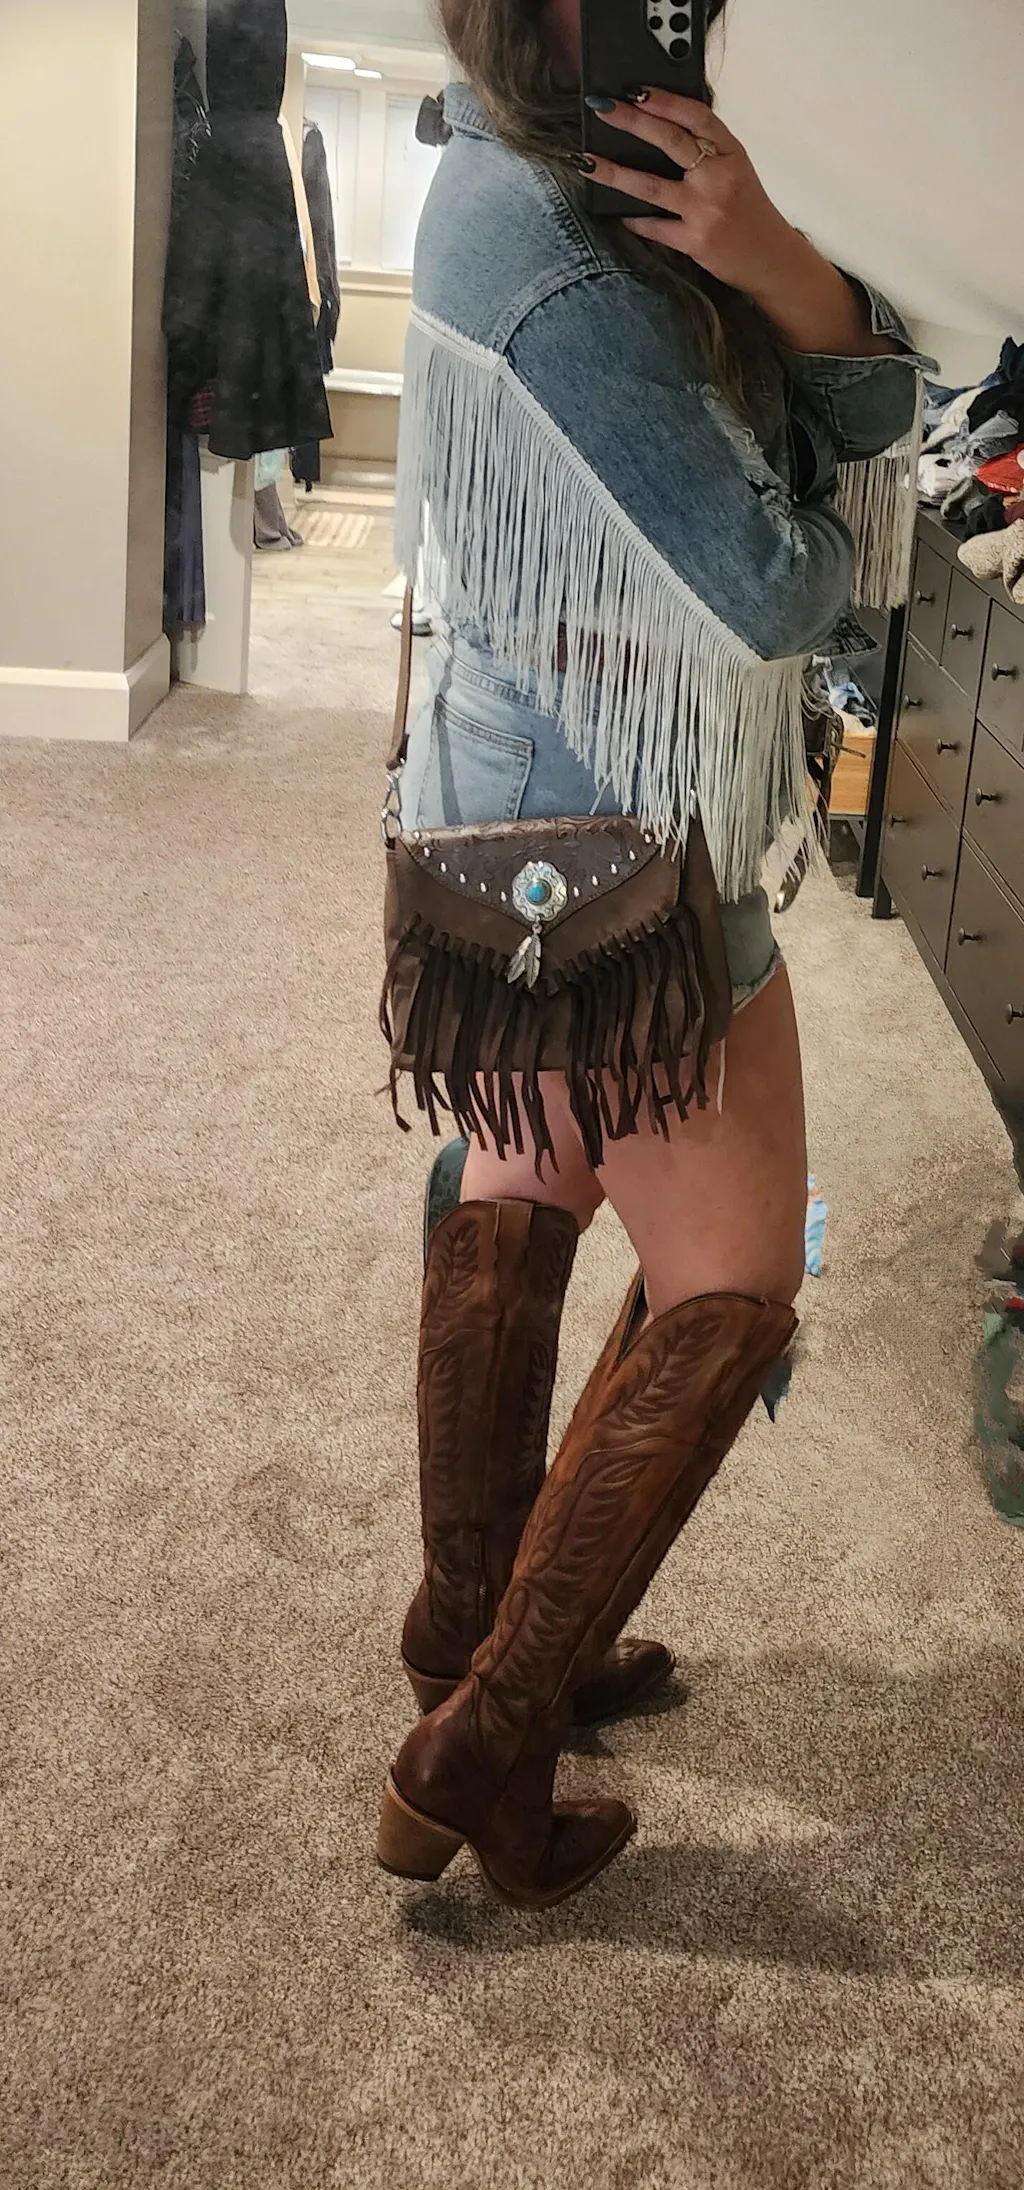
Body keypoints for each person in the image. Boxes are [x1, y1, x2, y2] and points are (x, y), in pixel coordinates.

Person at [376, 0, 931, 1910]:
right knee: (733, 1279)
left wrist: (782, 273)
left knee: (523, 1184)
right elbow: (773, 585)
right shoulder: (558, 248)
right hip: (620, 837)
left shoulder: (532, 165)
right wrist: (812, 355)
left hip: (509, 808)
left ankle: (472, 1630)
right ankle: (491, 1731)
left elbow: (848, 428)